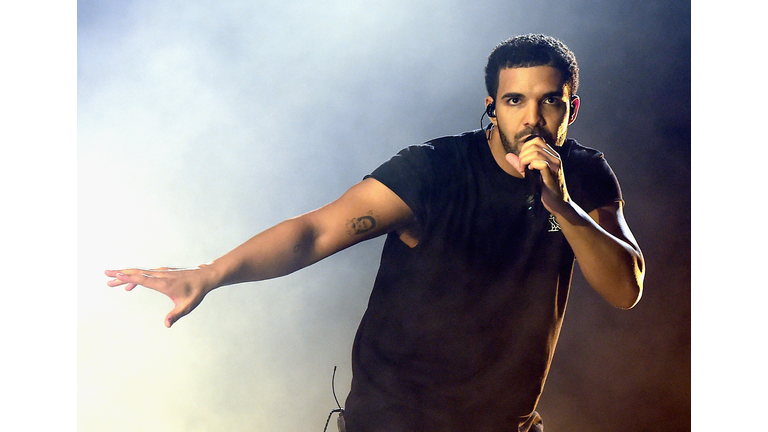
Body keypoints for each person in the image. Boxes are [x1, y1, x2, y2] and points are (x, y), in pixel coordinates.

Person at [105, 34, 644, 432]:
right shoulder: (433, 170)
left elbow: (626, 289)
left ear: (570, 107)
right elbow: (315, 232)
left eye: (548, 100)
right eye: (513, 100)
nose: (531, 119)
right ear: (491, 108)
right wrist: (210, 274)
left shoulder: (584, 175)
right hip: (394, 422)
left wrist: (562, 206)